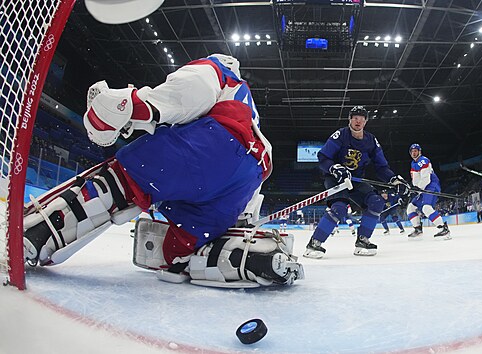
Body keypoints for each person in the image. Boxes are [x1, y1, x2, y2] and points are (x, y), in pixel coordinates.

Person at [22, 54, 303, 287]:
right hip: (249, 178)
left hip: (215, 146)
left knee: (124, 181)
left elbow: (191, 90)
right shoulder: (249, 106)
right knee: (181, 246)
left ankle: (33, 235)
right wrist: (242, 214)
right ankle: (254, 260)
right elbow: (251, 162)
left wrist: (141, 106)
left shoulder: (219, 71)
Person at [303, 106, 409, 259]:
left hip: (356, 180)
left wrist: (393, 180)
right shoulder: (341, 135)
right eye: (354, 117)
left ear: (366, 121)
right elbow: (323, 158)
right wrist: (335, 168)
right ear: (349, 119)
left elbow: (381, 167)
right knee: (339, 208)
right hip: (336, 178)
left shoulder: (371, 140)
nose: (358, 120)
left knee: (376, 202)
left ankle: (363, 241)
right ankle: (314, 243)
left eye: (361, 118)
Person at [406, 144, 451, 239]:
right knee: (411, 207)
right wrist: (413, 189)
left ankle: (443, 228)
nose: (414, 153)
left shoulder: (423, 160)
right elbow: (416, 180)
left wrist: (417, 189)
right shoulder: (413, 163)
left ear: (419, 151)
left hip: (431, 186)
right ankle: (418, 229)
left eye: (415, 151)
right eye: (412, 151)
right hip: (422, 188)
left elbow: (426, 179)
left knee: (426, 208)